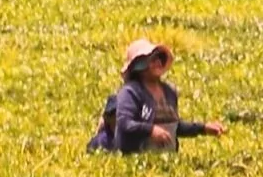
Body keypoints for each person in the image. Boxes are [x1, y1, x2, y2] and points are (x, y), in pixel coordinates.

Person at [89, 40, 224, 155]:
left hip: (165, 156)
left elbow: (174, 126)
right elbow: (125, 124)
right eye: (150, 59)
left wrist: (203, 128)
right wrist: (151, 130)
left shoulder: (169, 91)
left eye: (158, 58)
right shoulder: (130, 92)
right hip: (137, 155)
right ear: (138, 65)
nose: (157, 62)